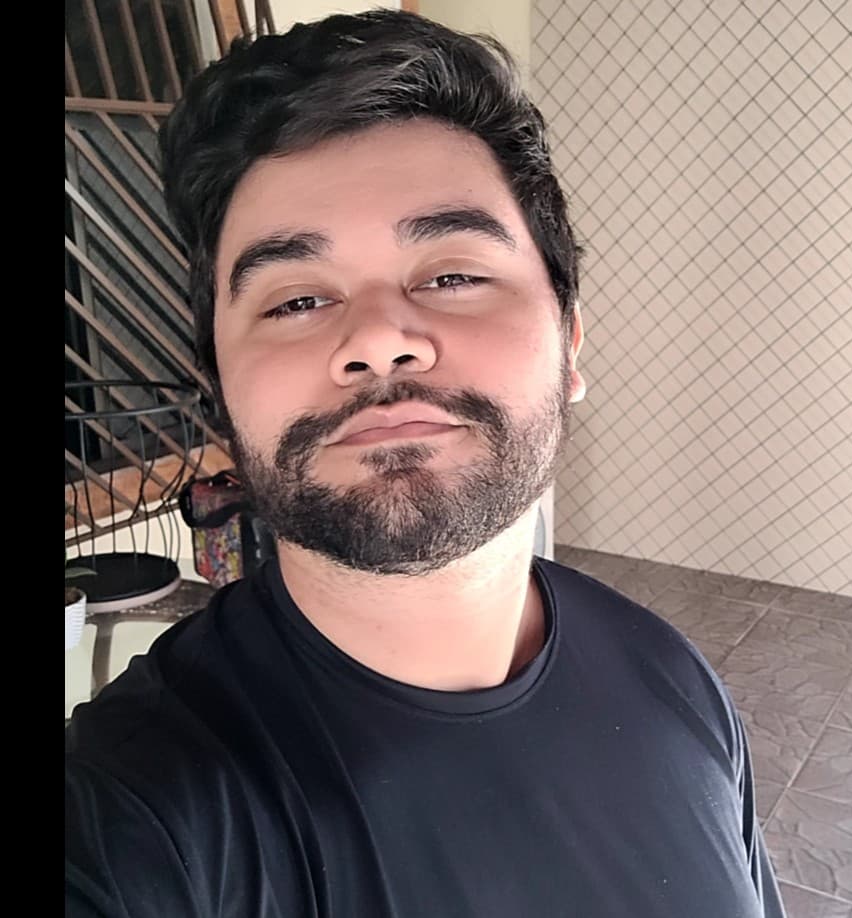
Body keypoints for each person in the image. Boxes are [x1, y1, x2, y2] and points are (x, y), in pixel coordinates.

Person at [65, 9, 787, 917]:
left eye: (452, 276)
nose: (377, 339)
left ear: (569, 344)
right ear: (220, 389)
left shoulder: (673, 680)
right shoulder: (132, 817)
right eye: (295, 300)